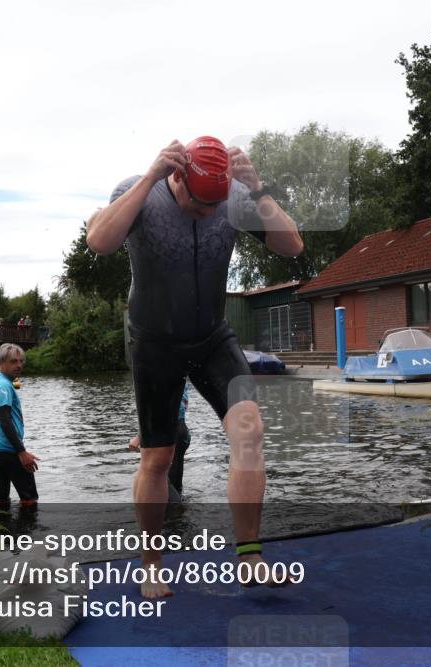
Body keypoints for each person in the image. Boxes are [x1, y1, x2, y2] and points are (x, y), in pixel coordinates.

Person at [86, 135, 304, 598]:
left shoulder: (236, 198)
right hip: (153, 342)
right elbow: (99, 242)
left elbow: (293, 247)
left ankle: (250, 558)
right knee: (158, 456)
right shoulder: (139, 190)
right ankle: (150, 563)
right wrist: (148, 177)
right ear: (177, 176)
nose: (206, 213)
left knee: (250, 430)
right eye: (199, 203)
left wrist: (259, 188)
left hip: (211, 336)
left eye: (215, 206)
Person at [0, 343, 40, 509]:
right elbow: (5, 421)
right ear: (2, 362)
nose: (19, 365)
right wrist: (22, 452)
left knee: (1, 500)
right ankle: (28, 533)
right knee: (29, 498)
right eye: (14, 361)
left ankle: (2, 533)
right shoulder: (3, 387)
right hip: (7, 450)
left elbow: (16, 384)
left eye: (21, 361)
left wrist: (14, 377)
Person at [129, 385, 190, 503]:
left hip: (168, 432)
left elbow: (161, 409)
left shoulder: (161, 373)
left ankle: (172, 515)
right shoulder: (180, 374)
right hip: (180, 431)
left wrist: (139, 436)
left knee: (162, 484)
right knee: (174, 485)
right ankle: (178, 517)